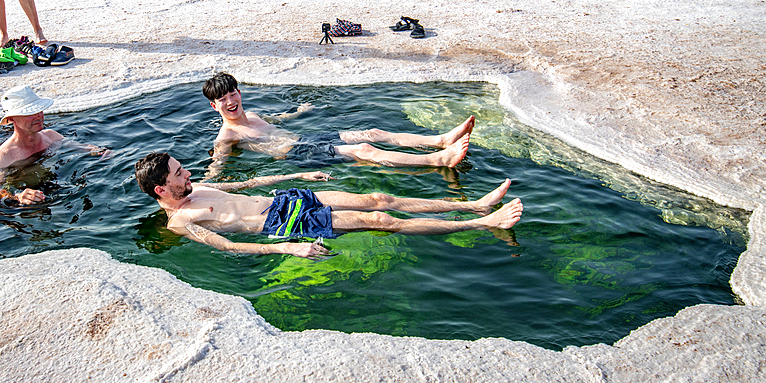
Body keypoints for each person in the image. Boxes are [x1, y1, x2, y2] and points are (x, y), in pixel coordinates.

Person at [134, 151, 523, 258]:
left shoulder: (196, 186)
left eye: (183, 170)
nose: (187, 175)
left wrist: (296, 177)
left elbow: (250, 183)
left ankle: (473, 206)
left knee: (379, 198)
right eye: (179, 175)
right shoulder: (180, 223)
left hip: (284, 200)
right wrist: (288, 247)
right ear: (161, 191)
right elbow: (229, 246)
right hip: (285, 227)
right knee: (381, 219)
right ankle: (484, 224)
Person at [202, 73, 474, 176]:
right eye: (222, 99)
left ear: (239, 92)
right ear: (214, 106)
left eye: (232, 93)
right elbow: (218, 165)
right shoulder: (226, 135)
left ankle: (439, 140)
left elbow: (277, 122)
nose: (230, 101)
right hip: (298, 154)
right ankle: (436, 160)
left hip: (308, 137)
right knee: (365, 149)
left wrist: (299, 111)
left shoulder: (254, 115)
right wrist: (207, 183)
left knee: (372, 132)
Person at [0, 85, 112, 204]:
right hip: (31, 203)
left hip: (58, 186)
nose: (38, 116)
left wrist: (102, 151)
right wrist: (17, 197)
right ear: (12, 118)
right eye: (29, 113)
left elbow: (83, 147)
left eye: (39, 110)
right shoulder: (2, 157)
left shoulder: (51, 136)